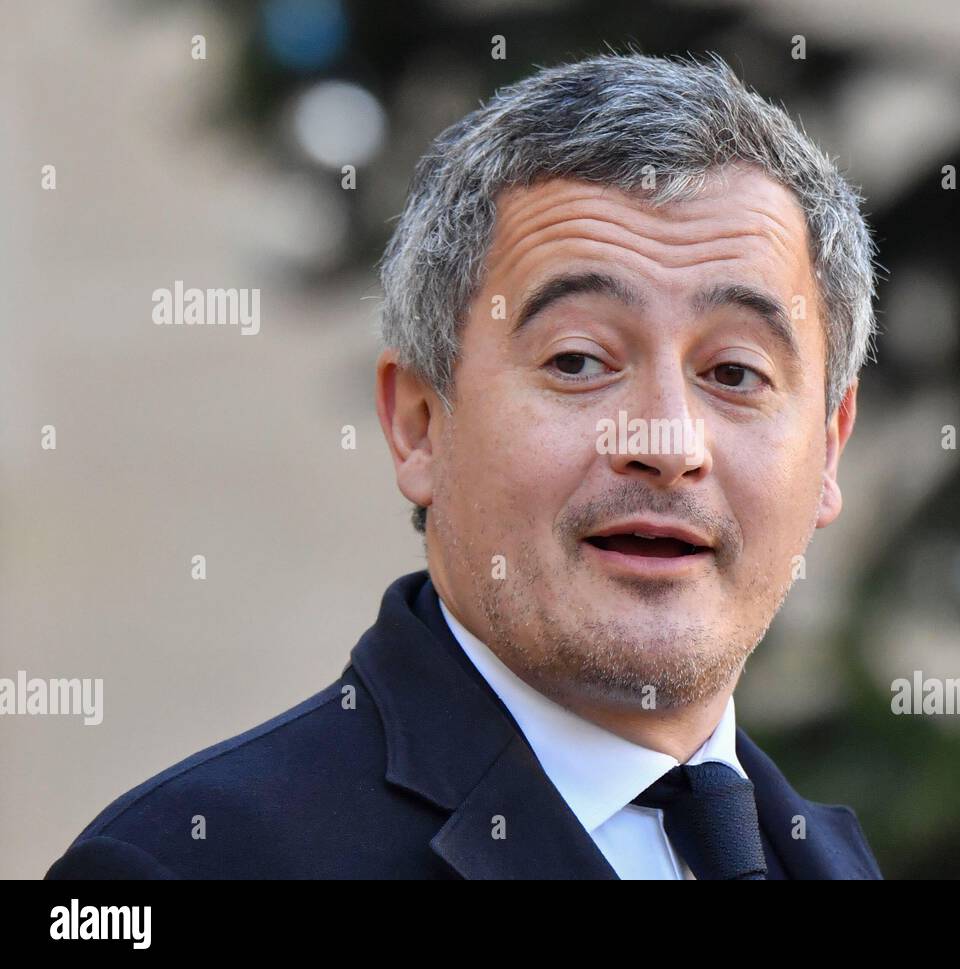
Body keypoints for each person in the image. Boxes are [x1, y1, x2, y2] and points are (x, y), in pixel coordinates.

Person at [46, 51, 882, 880]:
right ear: (418, 425)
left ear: (830, 445)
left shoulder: (825, 856)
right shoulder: (183, 864)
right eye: (579, 360)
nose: (665, 444)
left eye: (735, 373)